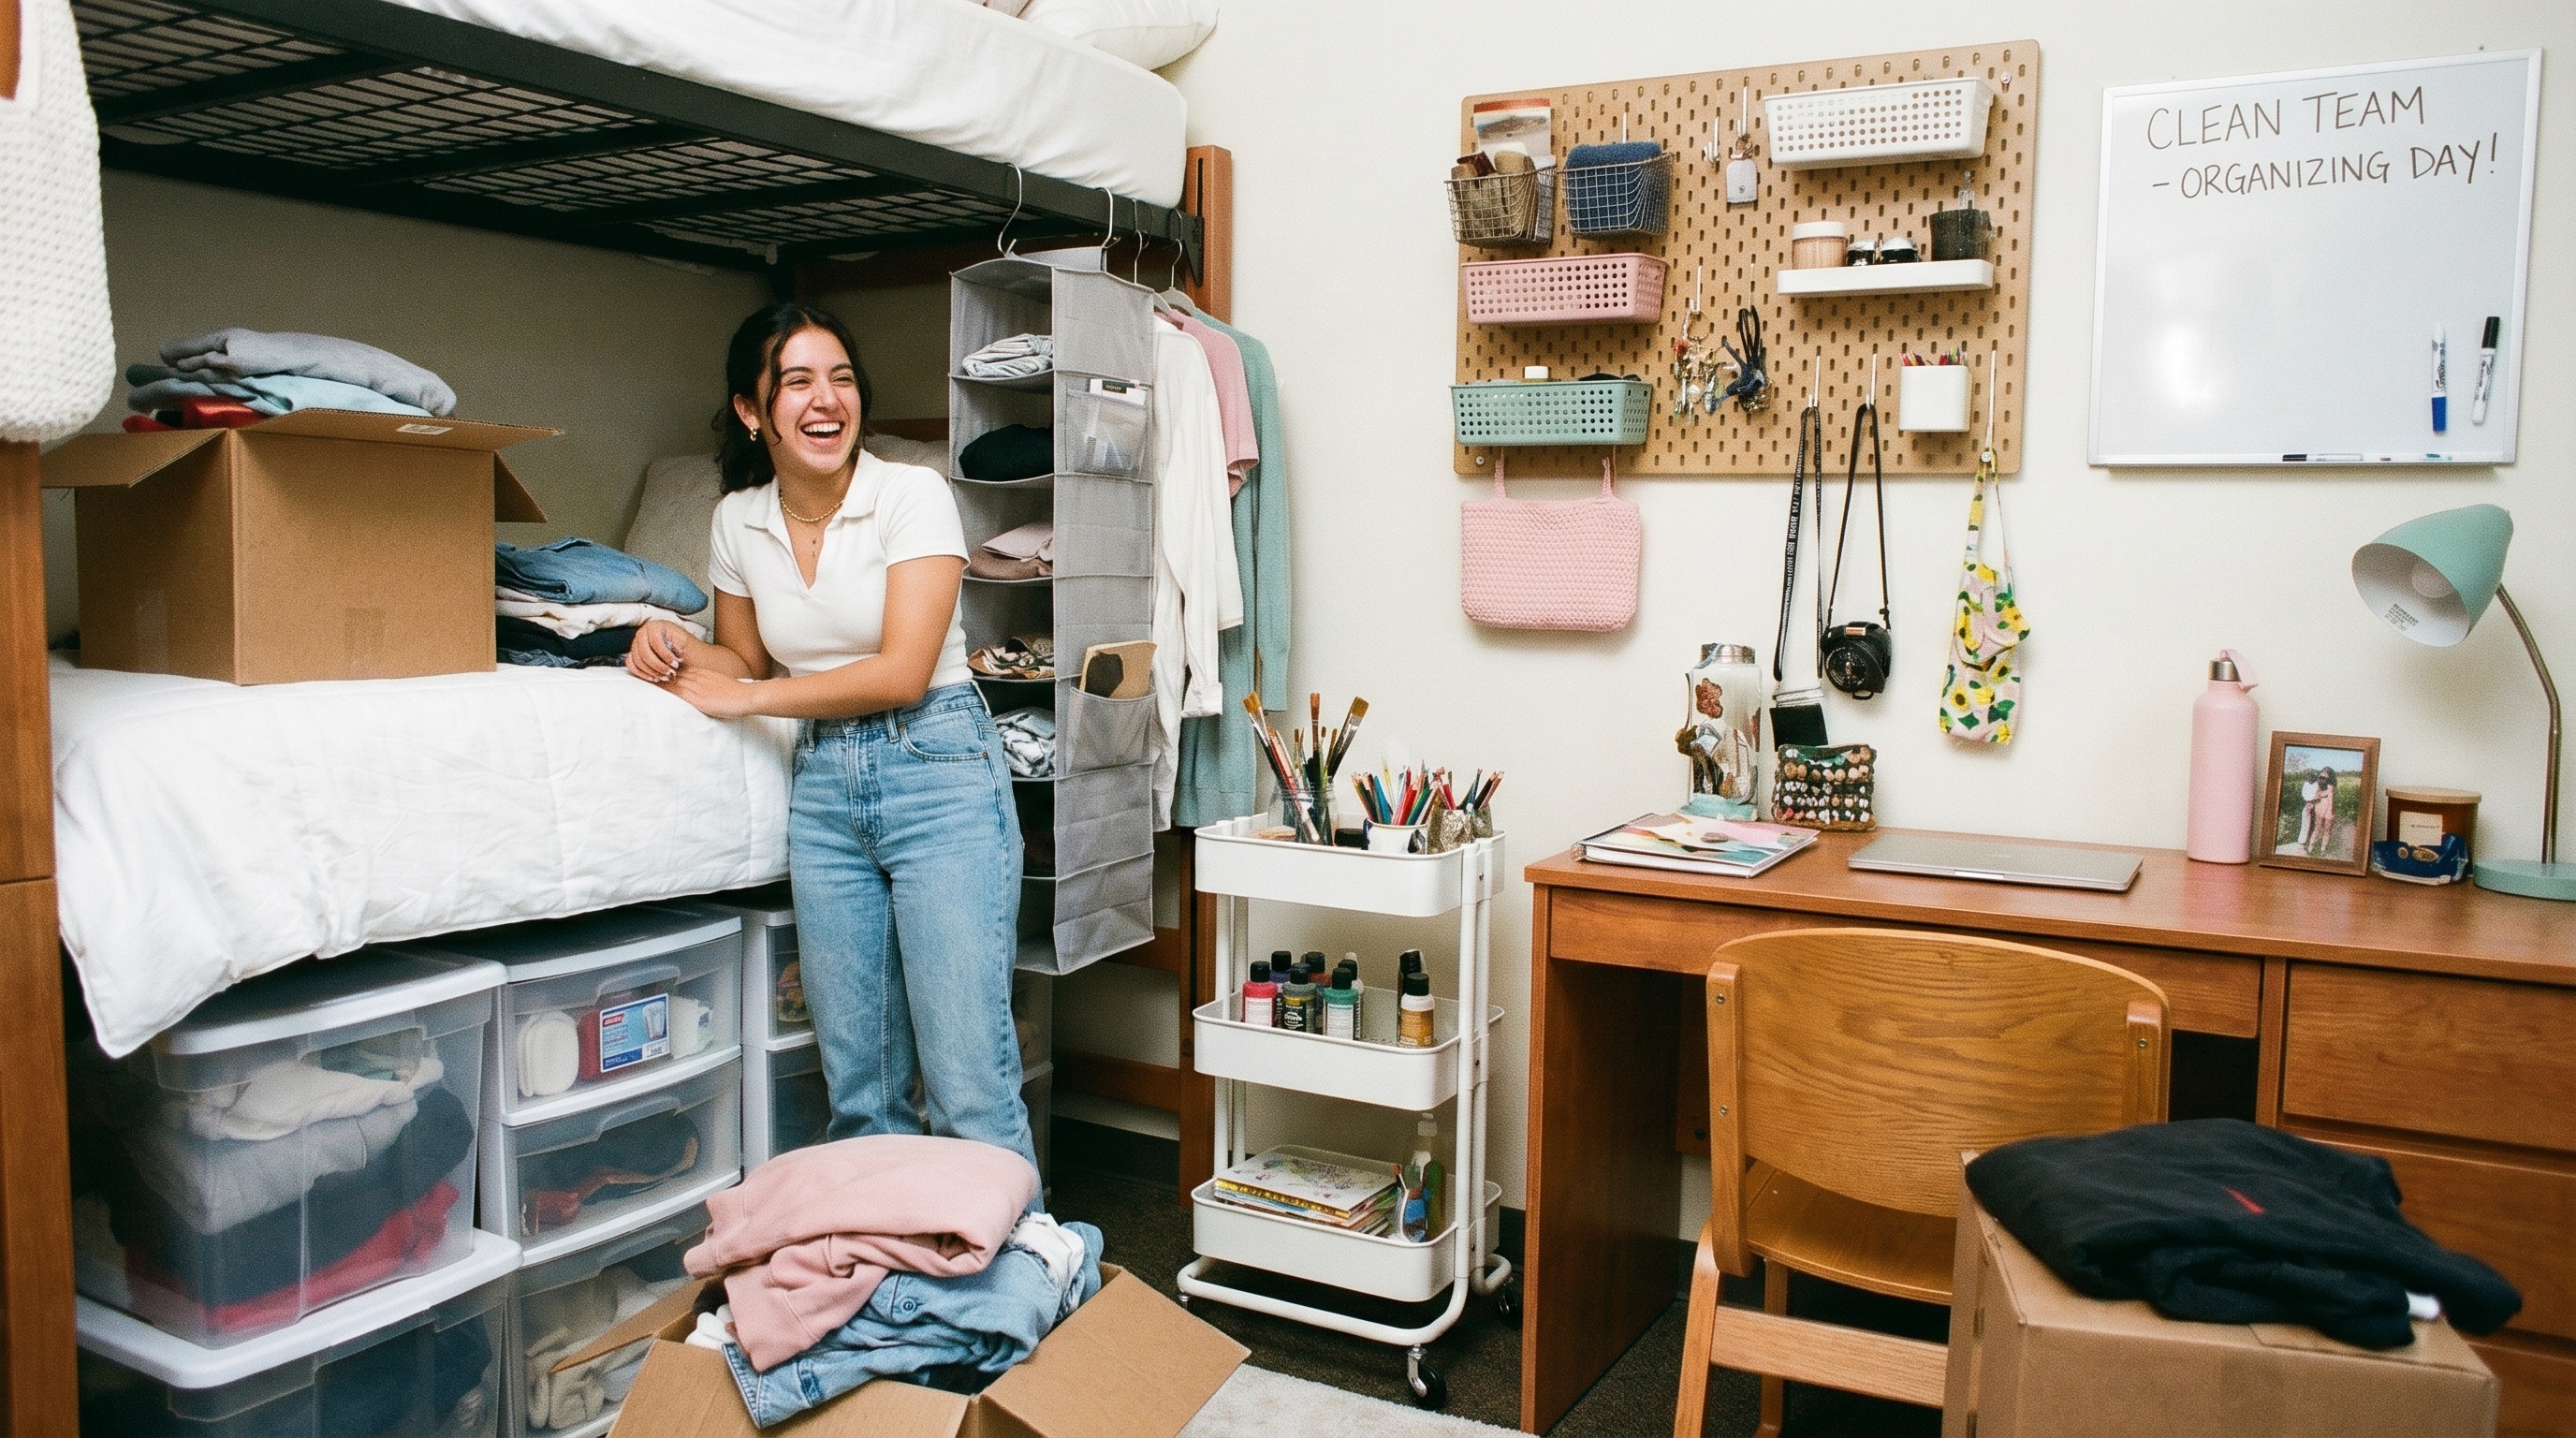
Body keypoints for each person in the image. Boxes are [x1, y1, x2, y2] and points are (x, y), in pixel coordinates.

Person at [627, 303, 1037, 1177]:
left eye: (842, 379)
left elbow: (901, 670)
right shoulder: (738, 521)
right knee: (861, 1087)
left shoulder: (911, 494)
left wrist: (750, 700)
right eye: (799, 381)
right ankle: (891, 1293)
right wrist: (667, 640)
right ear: (753, 410)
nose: (827, 401)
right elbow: (742, 654)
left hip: (938, 765)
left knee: (968, 1078)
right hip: (825, 788)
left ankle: (1016, 1290)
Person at [2306, 767, 2339, 857]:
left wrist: (2329, 812)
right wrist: (2311, 804)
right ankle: (2310, 848)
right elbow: (2316, 796)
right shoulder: (2319, 785)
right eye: (2322, 775)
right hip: (2319, 807)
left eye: (2326, 775)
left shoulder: (2330, 786)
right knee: (2317, 829)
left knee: (2326, 831)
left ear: (2329, 777)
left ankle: (2322, 850)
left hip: (2327, 808)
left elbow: (2331, 800)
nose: (2322, 777)